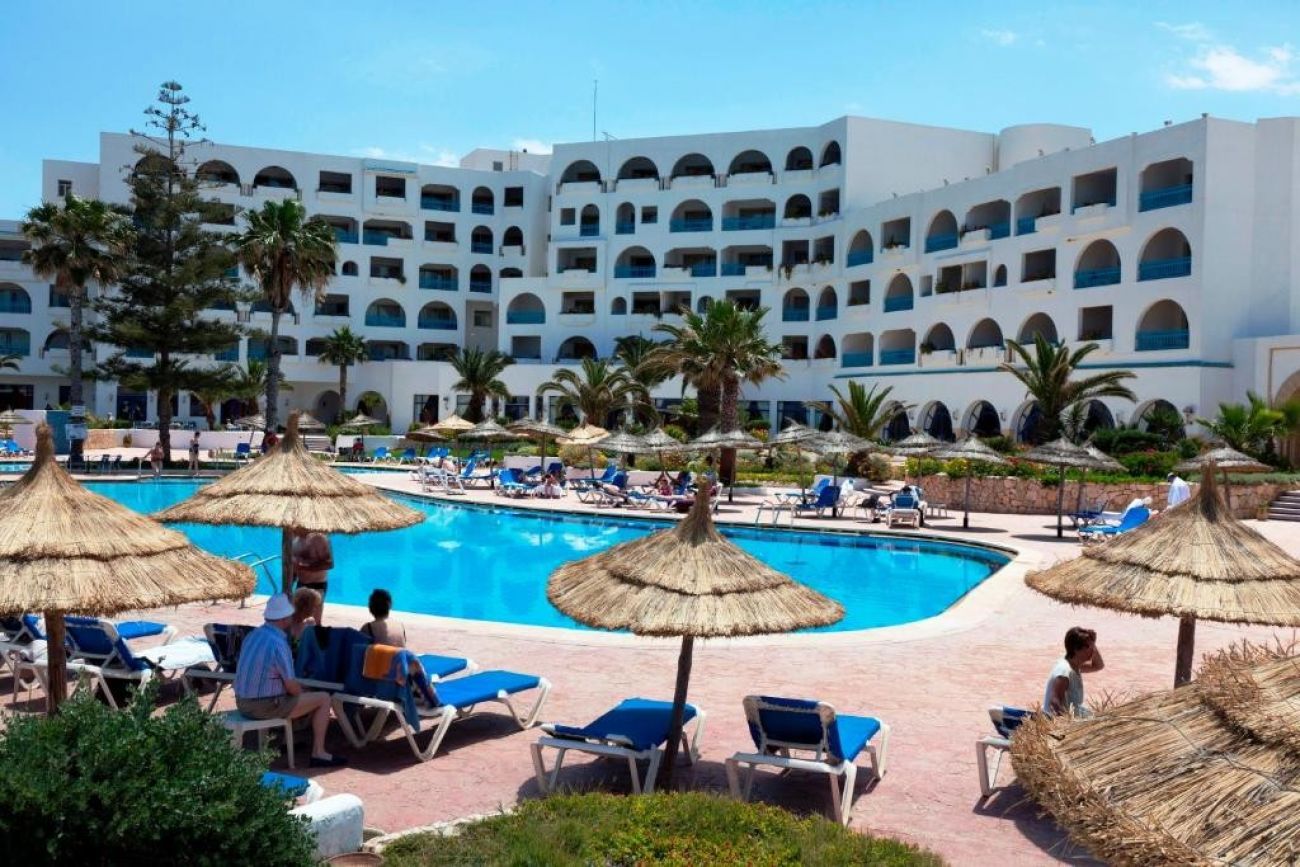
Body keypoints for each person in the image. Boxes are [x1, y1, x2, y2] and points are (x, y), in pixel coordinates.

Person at [234, 593, 345, 767]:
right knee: (323, 698)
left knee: (296, 696)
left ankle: (284, 741)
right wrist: (305, 693)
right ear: (284, 618)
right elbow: (292, 687)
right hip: (263, 706)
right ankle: (319, 753)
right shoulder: (278, 643)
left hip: (242, 702)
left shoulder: (253, 635)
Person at [1042, 627, 1104, 716]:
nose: (1092, 650)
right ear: (1076, 649)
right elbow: (1054, 701)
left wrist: (1092, 643)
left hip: (1074, 713)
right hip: (1059, 719)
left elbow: (1098, 666)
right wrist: (1066, 721)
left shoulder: (1075, 665)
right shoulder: (1064, 671)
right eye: (1087, 647)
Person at [291, 526, 333, 618]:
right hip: (301, 583)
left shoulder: (319, 538)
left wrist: (303, 566)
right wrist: (289, 585)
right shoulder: (294, 539)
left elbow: (329, 564)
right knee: (298, 617)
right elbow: (293, 567)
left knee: (315, 619)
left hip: (317, 585)